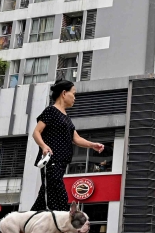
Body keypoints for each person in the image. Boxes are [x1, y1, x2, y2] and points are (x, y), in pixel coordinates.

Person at [31, 80, 105, 212]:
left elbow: (76, 138)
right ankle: (64, 230)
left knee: (45, 196)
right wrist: (43, 146)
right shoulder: (51, 111)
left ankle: (22, 227)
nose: (75, 98)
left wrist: (92, 144)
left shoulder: (66, 117)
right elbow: (36, 132)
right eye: (74, 94)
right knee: (59, 195)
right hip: (51, 160)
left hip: (61, 162)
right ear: (64, 93)